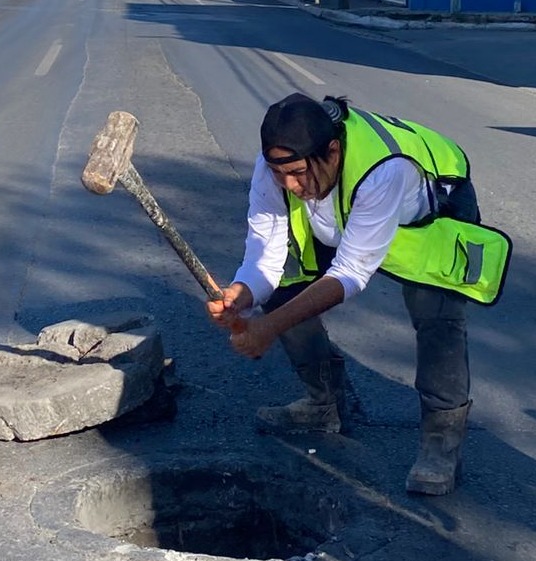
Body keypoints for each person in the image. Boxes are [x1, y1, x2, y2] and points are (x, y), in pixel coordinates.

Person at [206, 93, 510, 496]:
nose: (290, 186)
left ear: (332, 152)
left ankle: (441, 443)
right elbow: (266, 256)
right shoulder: (273, 168)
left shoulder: (384, 170)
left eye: (297, 173)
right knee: (286, 282)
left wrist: (268, 328)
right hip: (345, 214)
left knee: (435, 315)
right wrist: (240, 295)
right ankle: (324, 404)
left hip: (429, 212)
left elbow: (350, 273)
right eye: (280, 175)